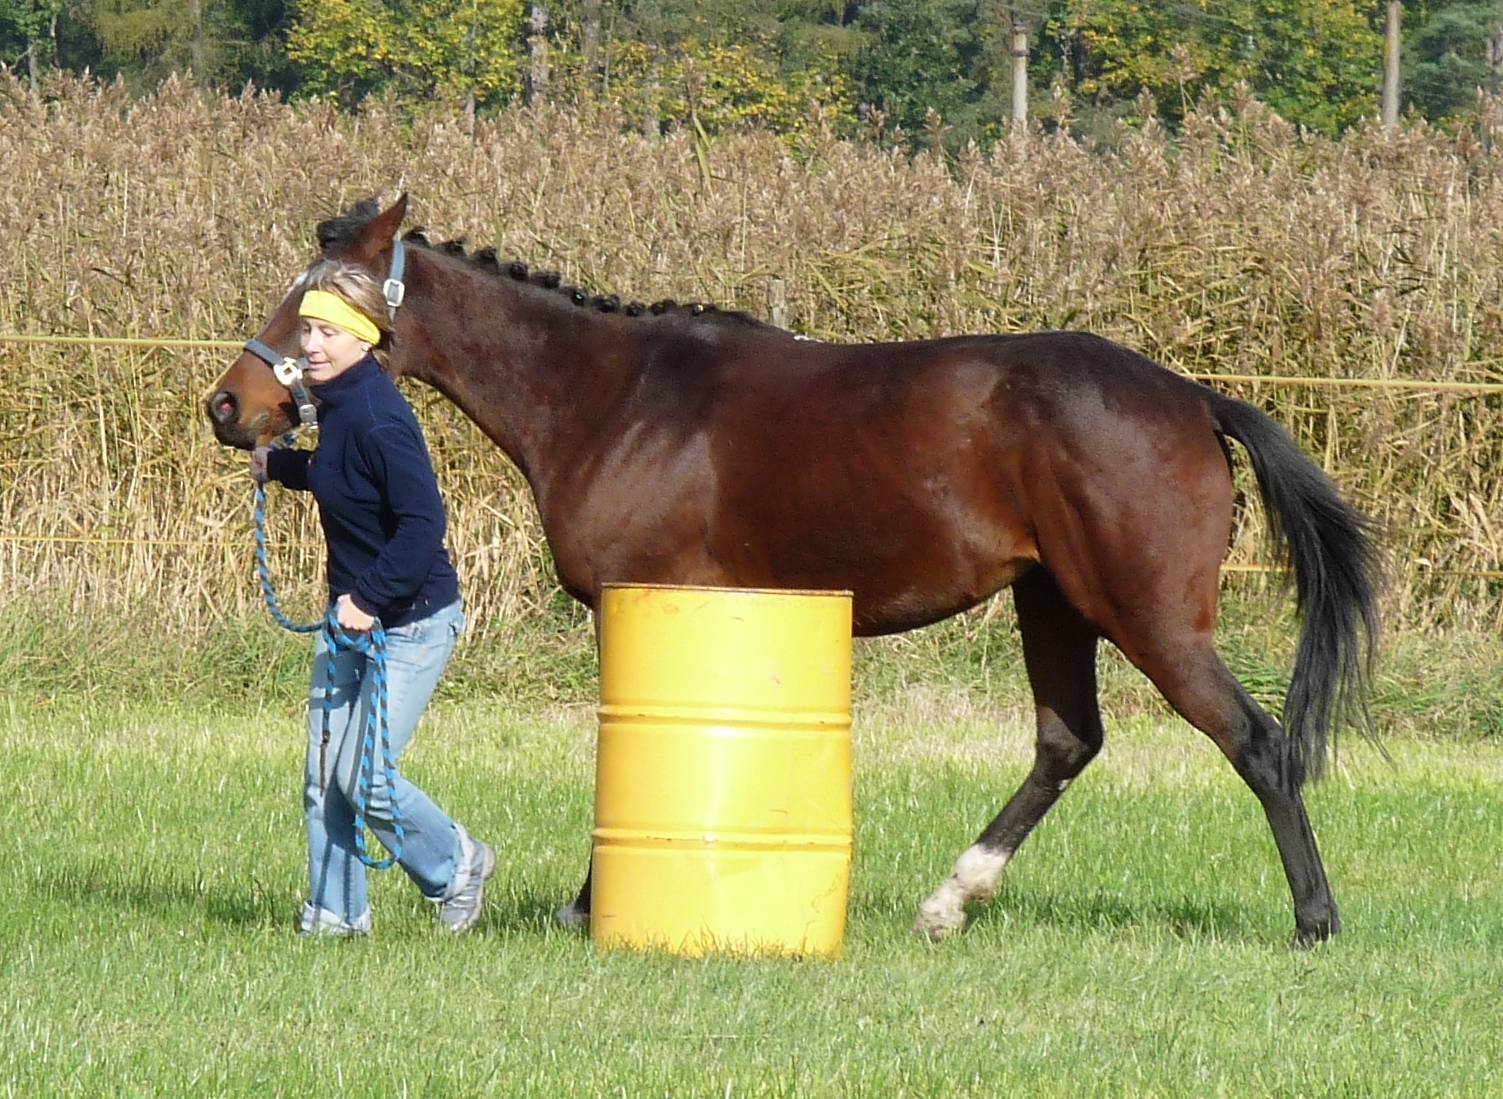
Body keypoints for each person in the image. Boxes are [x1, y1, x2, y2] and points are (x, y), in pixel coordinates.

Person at [251, 260, 493, 937]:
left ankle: (457, 862)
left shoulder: (378, 417)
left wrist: (370, 597)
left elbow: (422, 523)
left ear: (364, 335)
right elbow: (341, 475)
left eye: (329, 330)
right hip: (353, 620)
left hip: (410, 622)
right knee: (325, 779)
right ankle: (335, 914)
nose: (313, 345)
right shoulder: (339, 404)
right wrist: (283, 465)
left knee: (366, 779)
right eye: (307, 329)